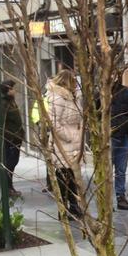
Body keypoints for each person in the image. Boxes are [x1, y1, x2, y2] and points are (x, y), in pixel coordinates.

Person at [46, 68, 85, 218]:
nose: (76, 83)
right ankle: (64, 208)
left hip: (74, 141)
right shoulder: (58, 99)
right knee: (64, 176)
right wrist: (69, 136)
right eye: (74, 80)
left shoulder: (74, 97)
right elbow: (54, 123)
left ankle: (74, 205)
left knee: (73, 176)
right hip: (63, 143)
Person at [110, 77, 128, 211]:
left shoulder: (127, 93)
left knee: (121, 171)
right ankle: (105, 200)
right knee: (105, 171)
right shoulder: (99, 93)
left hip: (124, 136)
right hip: (107, 138)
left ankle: (120, 197)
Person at [2, 80, 25, 198]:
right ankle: (8, 188)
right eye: (12, 89)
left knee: (13, 163)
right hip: (10, 138)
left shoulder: (12, 102)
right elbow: (2, 122)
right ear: (7, 90)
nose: (14, 90)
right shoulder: (4, 103)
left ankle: (10, 187)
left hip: (16, 137)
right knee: (9, 163)